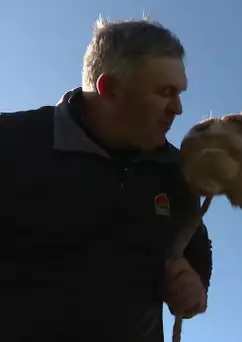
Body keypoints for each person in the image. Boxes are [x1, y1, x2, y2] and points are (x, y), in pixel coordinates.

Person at [0, 17, 212, 341]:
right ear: (109, 89)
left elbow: (194, 242)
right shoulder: (12, 142)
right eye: (165, 92)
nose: (178, 108)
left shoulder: (175, 171)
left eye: (179, 92)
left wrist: (196, 284)